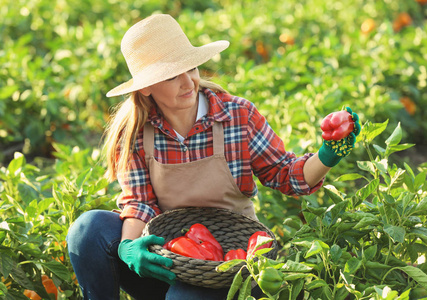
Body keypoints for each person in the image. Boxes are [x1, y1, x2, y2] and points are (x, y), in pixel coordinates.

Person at [66, 14, 360, 300]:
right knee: (87, 230)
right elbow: (139, 204)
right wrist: (129, 248)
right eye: (171, 76)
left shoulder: (236, 116)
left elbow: (285, 175)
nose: (188, 82)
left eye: (190, 68)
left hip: (229, 262)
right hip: (170, 256)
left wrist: (329, 154)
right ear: (146, 88)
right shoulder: (135, 133)